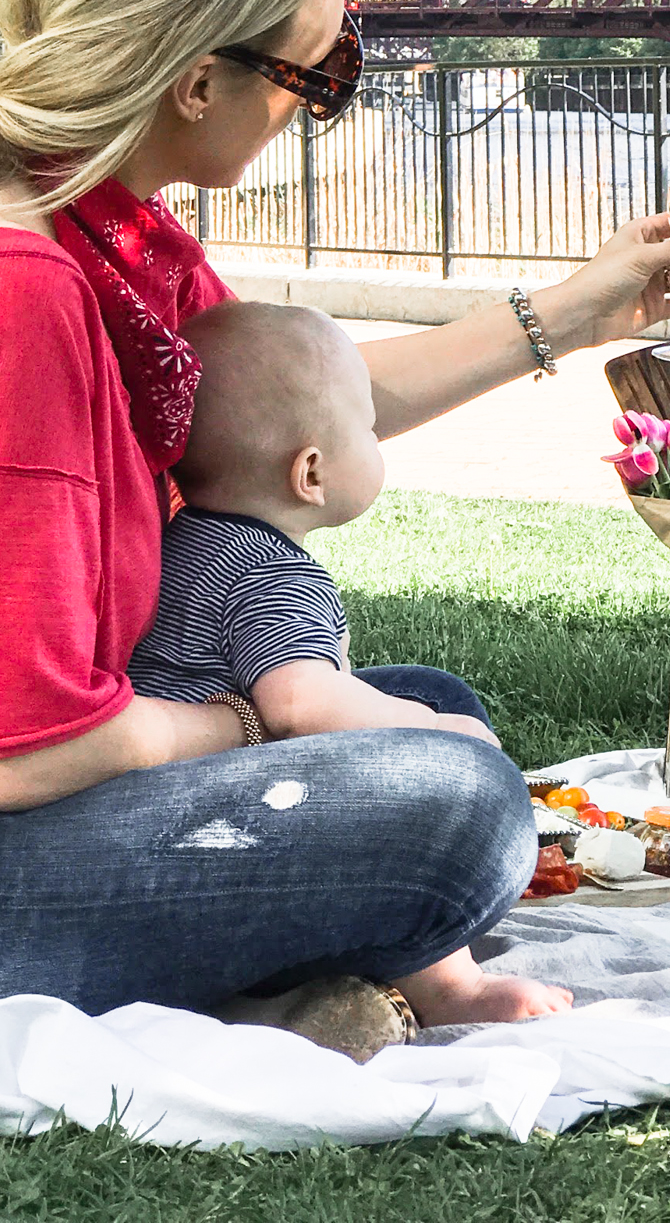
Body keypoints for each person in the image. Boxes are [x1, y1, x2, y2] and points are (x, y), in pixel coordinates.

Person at [0, 0, 670, 1052]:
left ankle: (280, 984)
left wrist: (577, 313)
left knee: (419, 702)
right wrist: (268, 720)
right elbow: (32, 760)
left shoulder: (100, 227)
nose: (317, 109)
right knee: (460, 805)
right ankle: (272, 984)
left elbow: (295, 409)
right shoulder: (15, 290)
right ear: (198, 77)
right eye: (315, 76)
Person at [127, 297, 563, 1037]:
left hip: (161, 801)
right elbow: (298, 701)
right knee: (434, 738)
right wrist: (433, 732)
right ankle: (449, 988)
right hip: (217, 821)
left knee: (425, 688)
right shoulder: (271, 571)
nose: (375, 438)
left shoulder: (181, 543)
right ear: (311, 471)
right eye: (365, 427)